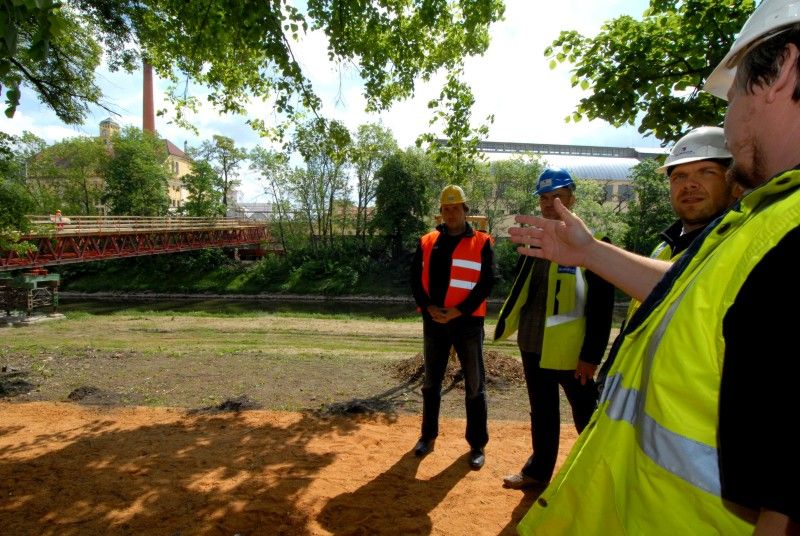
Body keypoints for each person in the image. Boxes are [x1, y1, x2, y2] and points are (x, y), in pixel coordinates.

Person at [507, 0, 800, 532]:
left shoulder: (791, 232)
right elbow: (696, 294)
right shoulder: (768, 217)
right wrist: (589, 252)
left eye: (731, 96)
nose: (729, 120)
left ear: (781, 72)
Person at [493, 168, 614, 490]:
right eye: (544, 198)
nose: (549, 204)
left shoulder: (594, 244)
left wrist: (591, 356)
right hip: (533, 343)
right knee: (543, 412)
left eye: (557, 196)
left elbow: (602, 309)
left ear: (572, 198)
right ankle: (537, 472)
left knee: (586, 413)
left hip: (573, 352)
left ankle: (599, 475)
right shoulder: (534, 241)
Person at [596, 126, 737, 391]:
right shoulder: (664, 249)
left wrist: (590, 251)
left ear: (735, 182)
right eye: (679, 176)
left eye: (706, 172)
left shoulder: (738, 244)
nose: (689, 184)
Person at [410, 184, 496, 470]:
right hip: (435, 323)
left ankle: (477, 444)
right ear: (441, 212)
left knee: (474, 384)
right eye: (445, 209)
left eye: (455, 208)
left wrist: (458, 311)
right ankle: (427, 435)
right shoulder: (427, 241)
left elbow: (486, 284)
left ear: (465, 210)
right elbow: (414, 280)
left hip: (468, 324)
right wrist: (430, 308)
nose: (450, 213)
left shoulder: (483, 242)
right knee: (431, 383)